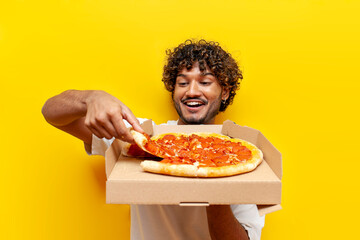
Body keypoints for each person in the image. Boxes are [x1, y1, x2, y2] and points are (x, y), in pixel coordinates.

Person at [42, 39, 265, 240]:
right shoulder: (138, 136)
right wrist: (91, 99)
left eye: (205, 82)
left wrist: (215, 181)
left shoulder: (236, 156)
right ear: (173, 90)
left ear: (224, 92)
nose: (192, 91)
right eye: (183, 83)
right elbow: (51, 114)